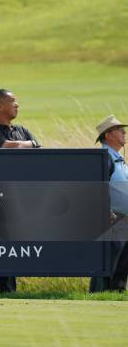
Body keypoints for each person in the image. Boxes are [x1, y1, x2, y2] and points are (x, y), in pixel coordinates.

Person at [0, 89, 40, 293]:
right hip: (0, 201)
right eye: (12, 101)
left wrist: (31, 145)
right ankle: (6, 291)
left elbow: (40, 152)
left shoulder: (22, 130)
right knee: (3, 248)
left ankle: (12, 291)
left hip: (23, 198)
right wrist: (30, 144)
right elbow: (10, 147)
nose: (17, 104)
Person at [90, 115, 128, 291]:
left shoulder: (118, 159)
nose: (124, 132)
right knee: (108, 264)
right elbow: (97, 186)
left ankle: (116, 295)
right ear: (108, 136)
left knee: (122, 266)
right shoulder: (104, 157)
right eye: (119, 130)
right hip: (113, 220)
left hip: (124, 221)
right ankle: (98, 295)